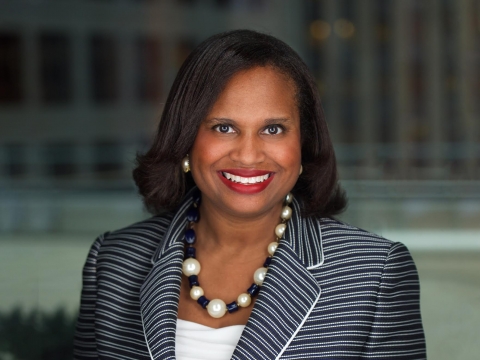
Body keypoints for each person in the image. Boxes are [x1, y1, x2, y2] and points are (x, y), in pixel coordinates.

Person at [74, 30, 426, 360]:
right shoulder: (113, 261)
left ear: (302, 142)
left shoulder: (374, 274)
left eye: (273, 129)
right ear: (186, 138)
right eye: (223, 127)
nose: (247, 155)